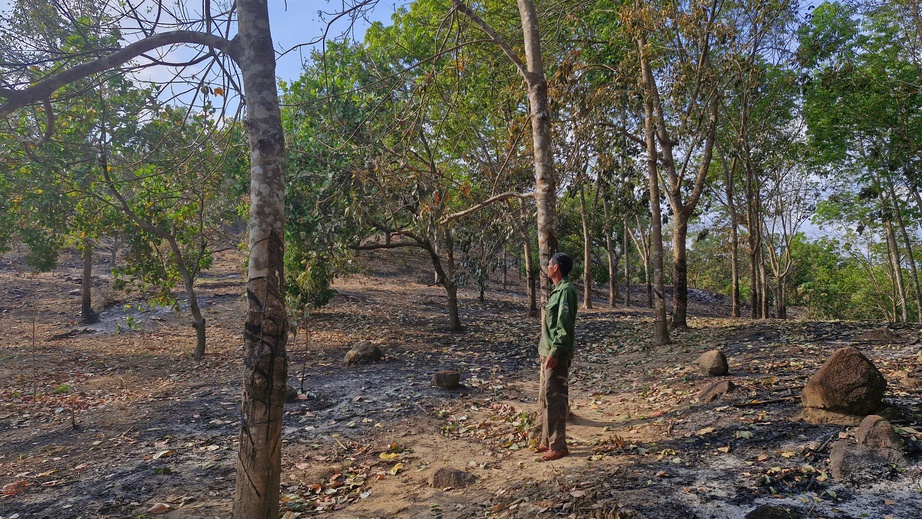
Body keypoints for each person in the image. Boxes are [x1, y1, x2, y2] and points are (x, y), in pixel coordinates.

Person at [536, 252, 577, 461]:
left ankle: (558, 446)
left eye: (549, 264)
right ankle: (546, 440)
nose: (547, 266)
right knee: (546, 399)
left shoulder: (566, 291)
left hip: (556, 355)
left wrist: (554, 352)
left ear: (556, 268)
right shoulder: (556, 291)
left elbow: (563, 326)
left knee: (556, 400)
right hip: (548, 353)